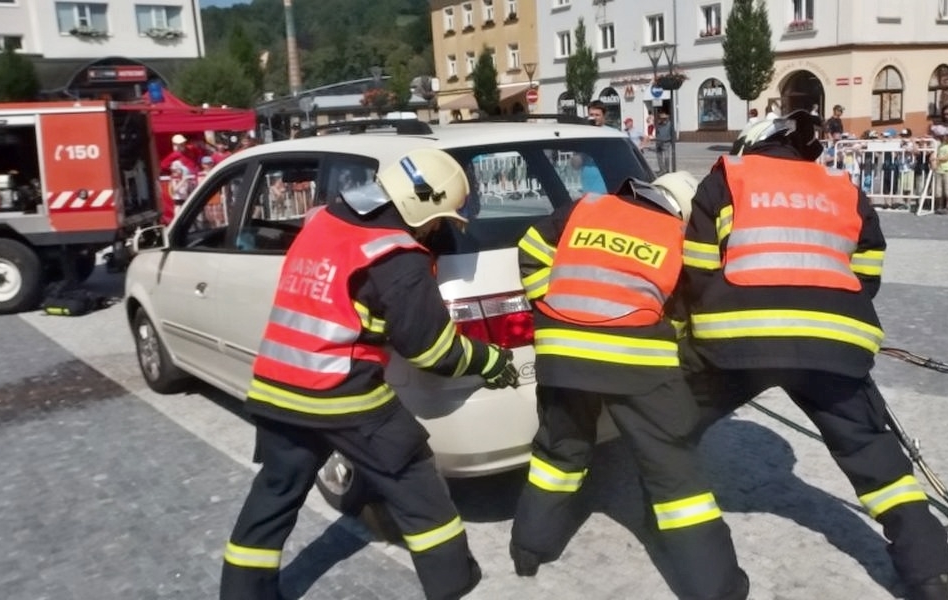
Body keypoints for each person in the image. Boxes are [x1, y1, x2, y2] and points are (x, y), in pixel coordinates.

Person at [679, 110, 948, 600]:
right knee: (870, 449)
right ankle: (928, 569)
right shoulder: (843, 187)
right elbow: (867, 268)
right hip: (831, 341)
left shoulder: (728, 177)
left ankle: (657, 505)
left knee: (671, 424)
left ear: (753, 143)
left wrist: (700, 334)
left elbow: (698, 270)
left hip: (738, 337)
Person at [219, 148, 520, 600]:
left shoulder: (324, 219)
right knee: (416, 483)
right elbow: (432, 350)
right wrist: (491, 361)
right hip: (344, 394)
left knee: (274, 496)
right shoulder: (397, 256)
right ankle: (454, 582)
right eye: (438, 219)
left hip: (278, 386)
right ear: (421, 205)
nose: (437, 229)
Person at [512, 172, 749, 600]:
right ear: (682, 209)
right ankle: (717, 589)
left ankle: (530, 550)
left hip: (562, 354)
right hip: (640, 365)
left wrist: (546, 306)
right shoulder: (677, 235)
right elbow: (684, 308)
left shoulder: (585, 208)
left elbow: (530, 246)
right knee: (675, 476)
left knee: (557, 453)